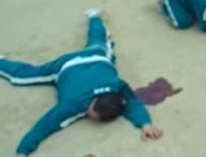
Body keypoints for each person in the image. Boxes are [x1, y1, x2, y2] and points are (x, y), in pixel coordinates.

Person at [0, 10, 164, 155]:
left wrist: (145, 124)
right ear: (91, 104)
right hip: (65, 66)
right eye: (89, 114)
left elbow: (131, 103)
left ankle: (94, 16)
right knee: (23, 76)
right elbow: (45, 125)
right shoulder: (74, 103)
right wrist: (22, 151)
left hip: (96, 56)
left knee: (98, 40)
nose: (86, 114)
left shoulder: (118, 86)